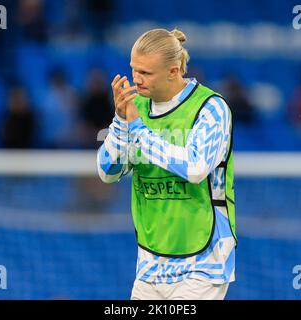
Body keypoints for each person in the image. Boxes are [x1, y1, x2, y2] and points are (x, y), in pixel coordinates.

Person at [96, 28, 237, 300]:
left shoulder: (211, 108)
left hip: (204, 260)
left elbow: (195, 168)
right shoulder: (135, 107)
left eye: (145, 73)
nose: (136, 79)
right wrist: (120, 121)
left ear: (174, 71)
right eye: (133, 69)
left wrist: (136, 128)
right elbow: (107, 172)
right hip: (150, 260)